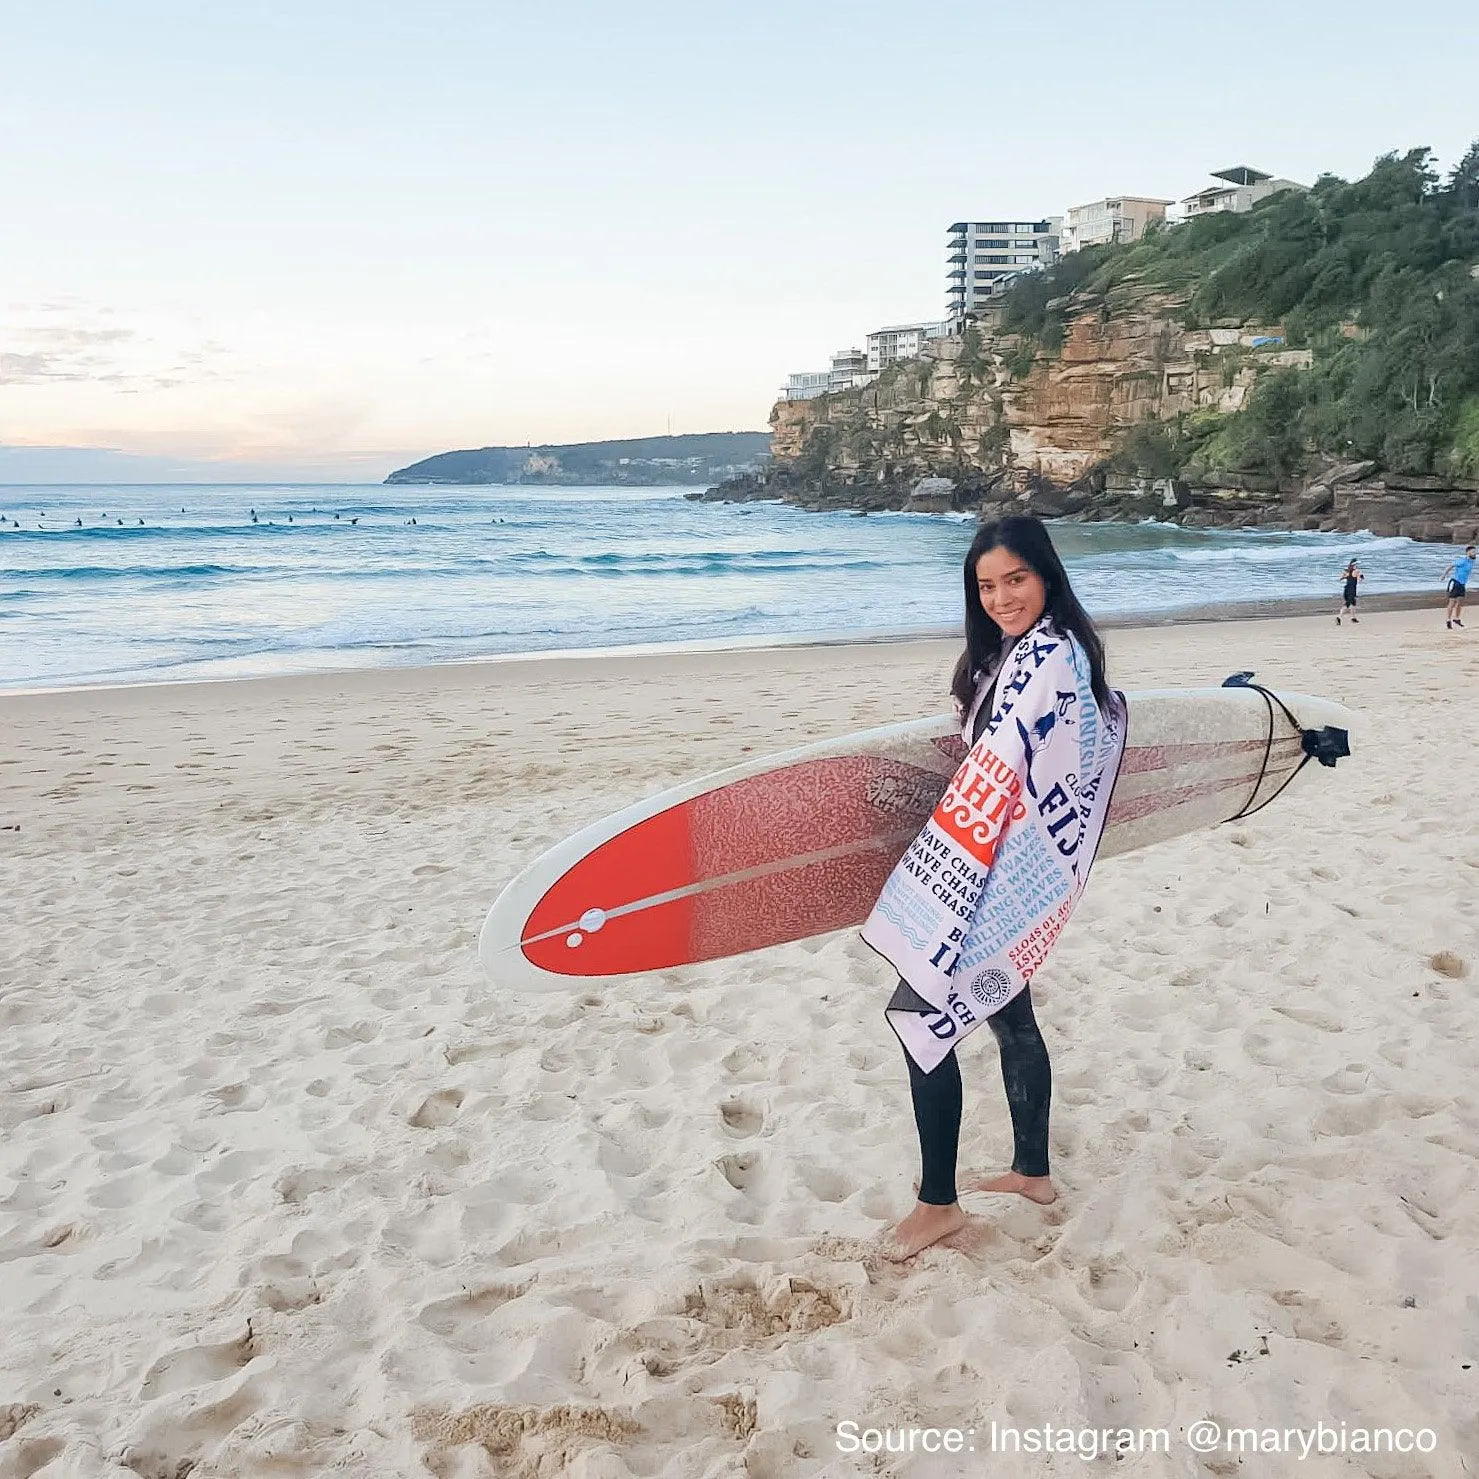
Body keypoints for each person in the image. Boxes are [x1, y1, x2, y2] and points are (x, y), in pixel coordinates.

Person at [860, 515, 1127, 1260]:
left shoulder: (1046, 659)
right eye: (985, 586)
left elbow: (1025, 767)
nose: (1001, 597)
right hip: (1018, 871)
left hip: (1003, 872)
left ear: (1045, 573)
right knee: (1010, 1010)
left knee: (921, 1014)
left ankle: (937, 1204)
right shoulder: (1039, 652)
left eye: (1015, 579)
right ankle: (1032, 1172)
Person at [1444, 545, 1475, 629]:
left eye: (1475, 552)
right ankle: (1448, 620)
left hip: (1462, 584)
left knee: (1460, 602)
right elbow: (1451, 565)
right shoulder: (1462, 561)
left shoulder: (1472, 561)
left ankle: (1456, 618)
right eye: (1473, 552)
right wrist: (1444, 575)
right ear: (1468, 552)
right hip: (1456, 583)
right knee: (1452, 602)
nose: (1474, 553)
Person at [1336, 559, 1362, 625]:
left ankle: (1353, 618)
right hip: (1352, 590)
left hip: (1346, 589)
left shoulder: (1346, 571)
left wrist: (1345, 577)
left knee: (1353, 603)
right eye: (1356, 564)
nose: (1357, 566)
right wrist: (1360, 577)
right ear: (1354, 565)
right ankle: (1339, 617)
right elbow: (1359, 580)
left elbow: (1340, 578)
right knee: (1347, 604)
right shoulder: (1357, 571)